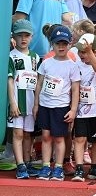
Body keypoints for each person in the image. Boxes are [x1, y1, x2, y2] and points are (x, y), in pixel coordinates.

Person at [32, 26, 80, 182]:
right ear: (52, 44)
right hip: (46, 104)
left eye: (64, 44)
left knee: (59, 137)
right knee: (46, 136)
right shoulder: (46, 63)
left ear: (69, 44)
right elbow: (39, 84)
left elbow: (75, 89)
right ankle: (46, 166)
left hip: (61, 106)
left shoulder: (72, 66)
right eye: (58, 43)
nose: (61, 47)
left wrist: (73, 109)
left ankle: (58, 167)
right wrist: (36, 105)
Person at [8, 20, 41, 178]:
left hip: (30, 102)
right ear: (14, 36)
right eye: (20, 35)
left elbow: (37, 82)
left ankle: (27, 163)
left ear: (32, 36)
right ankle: (20, 164)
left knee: (28, 134)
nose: (23, 39)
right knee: (18, 133)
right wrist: (12, 102)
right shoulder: (11, 56)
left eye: (26, 35)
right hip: (17, 102)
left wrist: (37, 104)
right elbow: (9, 80)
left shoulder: (35, 58)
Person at [71, 33, 96, 182]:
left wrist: (90, 54)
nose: (81, 54)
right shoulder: (76, 65)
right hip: (80, 111)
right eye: (80, 51)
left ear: (95, 51)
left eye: (84, 52)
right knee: (79, 138)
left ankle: (94, 166)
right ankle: (79, 168)